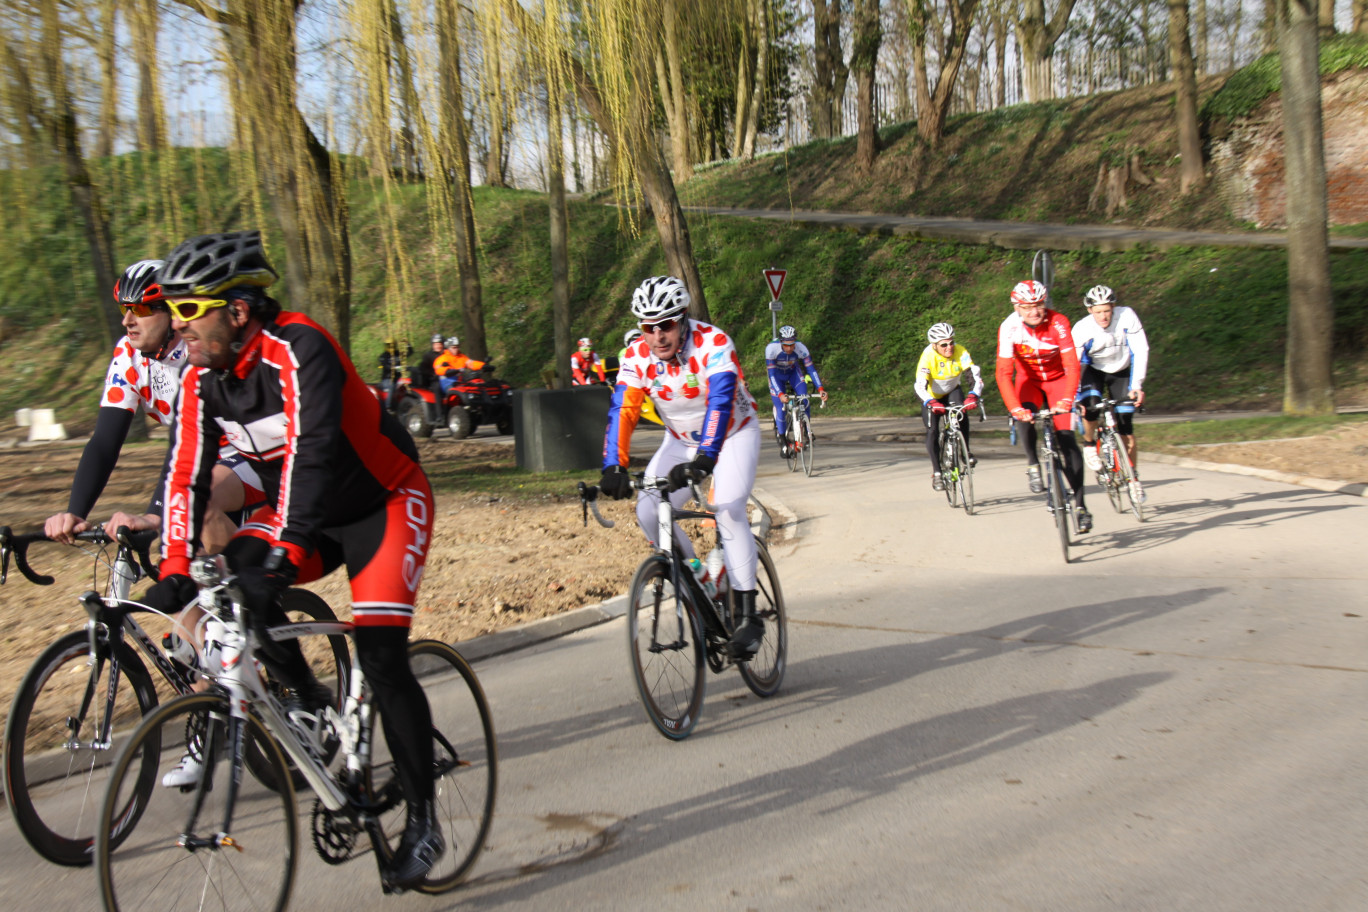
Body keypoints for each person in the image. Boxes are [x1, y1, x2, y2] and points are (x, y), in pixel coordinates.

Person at [138, 230, 444, 887]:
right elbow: (183, 473)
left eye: (190, 312)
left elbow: (310, 456)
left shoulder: (300, 347)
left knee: (383, 655)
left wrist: (283, 558)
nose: (179, 329)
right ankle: (309, 701)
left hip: (382, 502)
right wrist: (172, 569)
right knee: (228, 585)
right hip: (309, 511)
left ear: (238, 311)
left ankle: (423, 819)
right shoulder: (201, 376)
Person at [43, 260, 262, 554]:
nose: (128, 320)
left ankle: (252, 591)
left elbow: (187, 449)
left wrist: (153, 514)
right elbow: (105, 442)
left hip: (251, 454)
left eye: (142, 309)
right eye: (125, 308)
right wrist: (76, 513)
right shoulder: (128, 355)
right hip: (199, 459)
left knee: (192, 508)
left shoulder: (198, 351)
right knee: (181, 573)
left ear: (172, 311)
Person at [599, 276, 765, 659]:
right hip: (679, 441)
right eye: (648, 327)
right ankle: (698, 575)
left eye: (666, 325)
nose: (657, 336)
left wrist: (706, 458)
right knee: (646, 509)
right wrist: (613, 466)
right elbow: (623, 409)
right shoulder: (637, 357)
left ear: (684, 318)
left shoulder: (714, 344)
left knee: (726, 507)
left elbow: (721, 403)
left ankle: (748, 614)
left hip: (733, 434)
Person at [995, 279, 1092, 533]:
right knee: (1023, 420)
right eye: (1027, 307)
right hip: (1030, 381)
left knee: (1067, 440)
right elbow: (1004, 374)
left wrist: (1068, 399)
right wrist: (1015, 407)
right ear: (1017, 307)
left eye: (1038, 305)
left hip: (1058, 380)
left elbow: (1071, 364)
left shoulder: (1059, 322)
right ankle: (1032, 463)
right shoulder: (1008, 328)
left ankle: (1081, 506)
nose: (1034, 312)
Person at [1072, 285, 1150, 502]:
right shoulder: (1081, 329)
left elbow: (1141, 350)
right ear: (1090, 311)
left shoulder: (1127, 317)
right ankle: (1089, 444)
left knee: (1126, 427)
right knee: (1090, 409)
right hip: (1093, 371)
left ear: (1114, 307)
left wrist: (1137, 386)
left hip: (1121, 371)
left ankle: (1133, 480)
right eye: (1098, 312)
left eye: (1107, 310)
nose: (1103, 316)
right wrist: (1075, 395)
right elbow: (1072, 364)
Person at [915, 322, 983, 491]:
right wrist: (930, 401)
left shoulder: (961, 352)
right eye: (943, 344)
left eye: (951, 342)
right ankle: (937, 472)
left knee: (962, 413)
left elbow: (974, 376)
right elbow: (920, 385)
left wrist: (973, 395)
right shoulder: (928, 356)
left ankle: (965, 452)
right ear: (934, 345)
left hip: (953, 390)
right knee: (932, 430)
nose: (949, 347)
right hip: (932, 396)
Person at [764, 325, 828, 457]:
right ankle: (782, 441)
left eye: (791, 345)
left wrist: (821, 388)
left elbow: (811, 369)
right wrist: (780, 394)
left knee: (804, 398)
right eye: (786, 345)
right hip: (777, 376)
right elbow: (771, 375)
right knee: (780, 406)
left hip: (793, 373)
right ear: (781, 342)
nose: (789, 348)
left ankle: (806, 430)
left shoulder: (801, 348)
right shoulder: (771, 349)